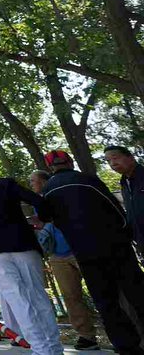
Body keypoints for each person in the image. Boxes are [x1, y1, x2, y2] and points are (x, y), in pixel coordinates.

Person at [43, 149, 144, 354]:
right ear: (70, 162)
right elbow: (114, 207)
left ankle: (126, 346)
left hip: (83, 252)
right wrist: (124, 231)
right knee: (137, 292)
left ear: (50, 167)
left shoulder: (48, 189)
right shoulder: (87, 180)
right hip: (115, 245)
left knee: (105, 301)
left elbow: (49, 218)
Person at [0, 156, 62, 355]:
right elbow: (37, 200)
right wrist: (42, 219)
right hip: (23, 244)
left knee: (18, 299)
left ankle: (40, 348)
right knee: (38, 295)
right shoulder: (7, 184)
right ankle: (54, 347)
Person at [28, 169, 100, 351]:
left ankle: (121, 331)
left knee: (100, 290)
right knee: (71, 296)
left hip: (79, 248)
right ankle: (87, 336)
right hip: (57, 254)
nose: (31, 184)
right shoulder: (38, 203)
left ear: (45, 181)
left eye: (33, 181)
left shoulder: (62, 194)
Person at [106, 146, 144, 250]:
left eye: (115, 158)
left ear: (131, 158)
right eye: (108, 161)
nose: (112, 163)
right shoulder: (124, 183)